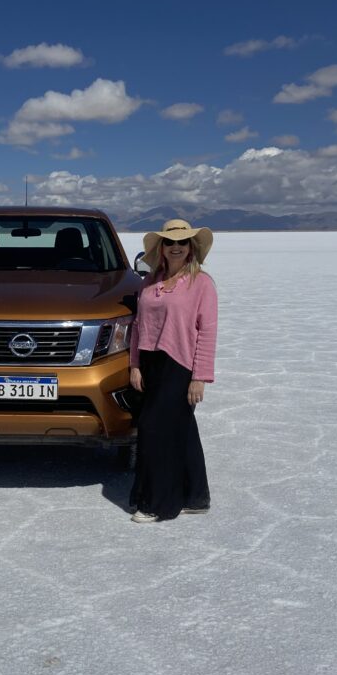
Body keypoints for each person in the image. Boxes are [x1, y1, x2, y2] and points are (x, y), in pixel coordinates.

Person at [128, 219, 218, 523]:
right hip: (151, 363)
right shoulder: (150, 281)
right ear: (162, 248)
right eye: (170, 242)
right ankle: (196, 496)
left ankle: (157, 503)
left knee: (154, 428)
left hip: (180, 364)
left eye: (183, 242)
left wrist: (199, 377)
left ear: (191, 247)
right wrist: (135, 365)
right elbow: (138, 327)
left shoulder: (201, 284)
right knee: (183, 429)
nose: (176, 247)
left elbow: (207, 332)